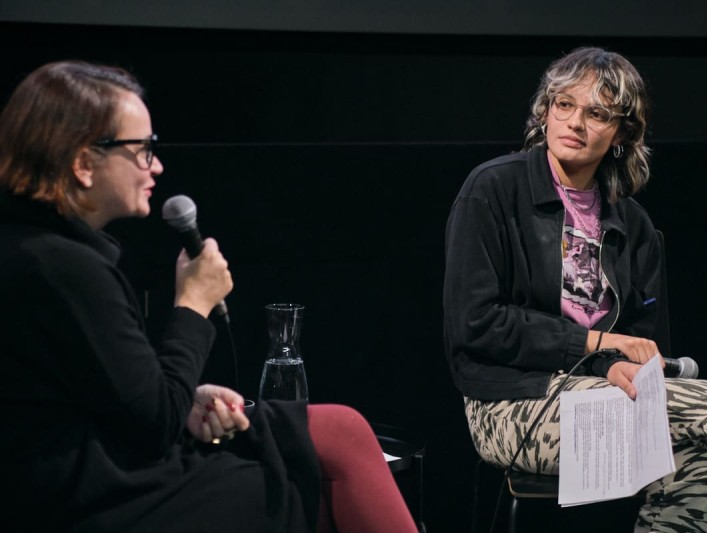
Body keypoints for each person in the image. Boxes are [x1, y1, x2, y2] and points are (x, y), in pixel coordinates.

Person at [0, 60, 418, 533]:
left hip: (95, 463)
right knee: (299, 486)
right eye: (142, 150)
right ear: (82, 163)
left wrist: (187, 399)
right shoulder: (63, 267)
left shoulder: (38, 249)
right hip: (90, 492)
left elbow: (105, 393)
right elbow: (154, 426)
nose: (156, 166)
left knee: (341, 431)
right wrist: (194, 304)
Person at [443, 46, 707, 531]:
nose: (575, 122)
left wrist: (612, 365)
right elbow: (475, 325)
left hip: (607, 399)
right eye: (564, 104)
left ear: (621, 134)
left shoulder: (634, 225)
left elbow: (642, 346)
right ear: (545, 112)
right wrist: (596, 343)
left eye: (596, 114)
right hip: (511, 406)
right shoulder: (493, 190)